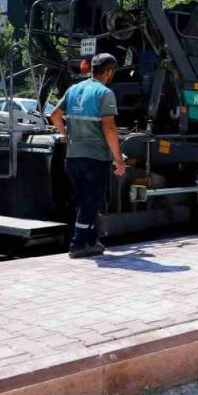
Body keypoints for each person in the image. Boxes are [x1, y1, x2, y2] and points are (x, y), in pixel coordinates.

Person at [49, 53, 127, 258]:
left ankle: (92, 241)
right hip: (95, 158)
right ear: (108, 72)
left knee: (84, 200)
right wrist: (119, 159)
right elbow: (109, 128)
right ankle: (78, 244)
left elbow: (55, 115)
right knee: (91, 201)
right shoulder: (104, 93)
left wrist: (66, 135)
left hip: (73, 157)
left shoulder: (73, 89)